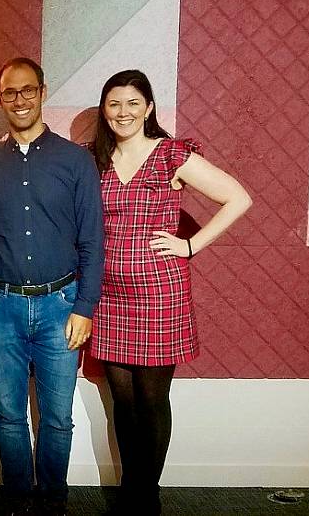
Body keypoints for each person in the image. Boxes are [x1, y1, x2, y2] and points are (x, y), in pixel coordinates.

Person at [88, 69, 252, 514]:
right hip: (109, 296)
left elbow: (238, 197)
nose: (123, 112)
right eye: (114, 104)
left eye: (132, 103)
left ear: (149, 107)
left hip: (160, 294)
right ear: (105, 111)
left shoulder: (170, 155)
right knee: (122, 401)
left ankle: (147, 494)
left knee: (152, 399)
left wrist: (190, 245)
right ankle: (130, 488)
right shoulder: (95, 159)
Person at [0, 57, 104, 515]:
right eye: (9, 93)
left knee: (58, 419)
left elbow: (93, 240)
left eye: (27, 90)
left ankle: (53, 503)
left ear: (42, 92)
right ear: (1, 101)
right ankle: (18, 502)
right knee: (8, 415)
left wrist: (84, 307)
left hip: (62, 306)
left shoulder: (75, 160)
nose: (19, 100)